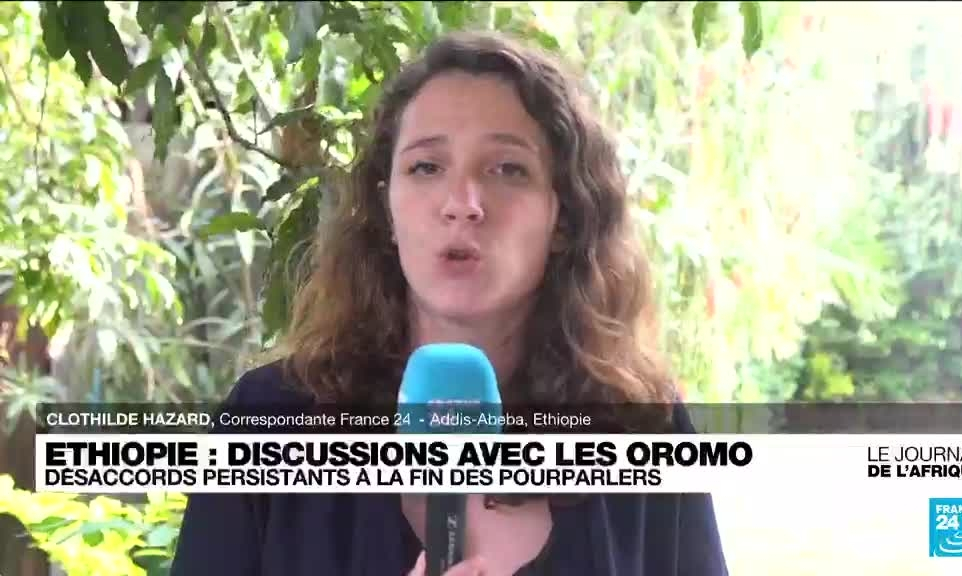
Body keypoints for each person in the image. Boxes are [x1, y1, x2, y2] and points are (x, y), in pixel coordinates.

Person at [170, 30, 729, 576]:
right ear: (387, 211)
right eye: (427, 167)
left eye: (507, 169)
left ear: (564, 216)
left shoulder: (644, 426)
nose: (462, 203)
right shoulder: (267, 419)